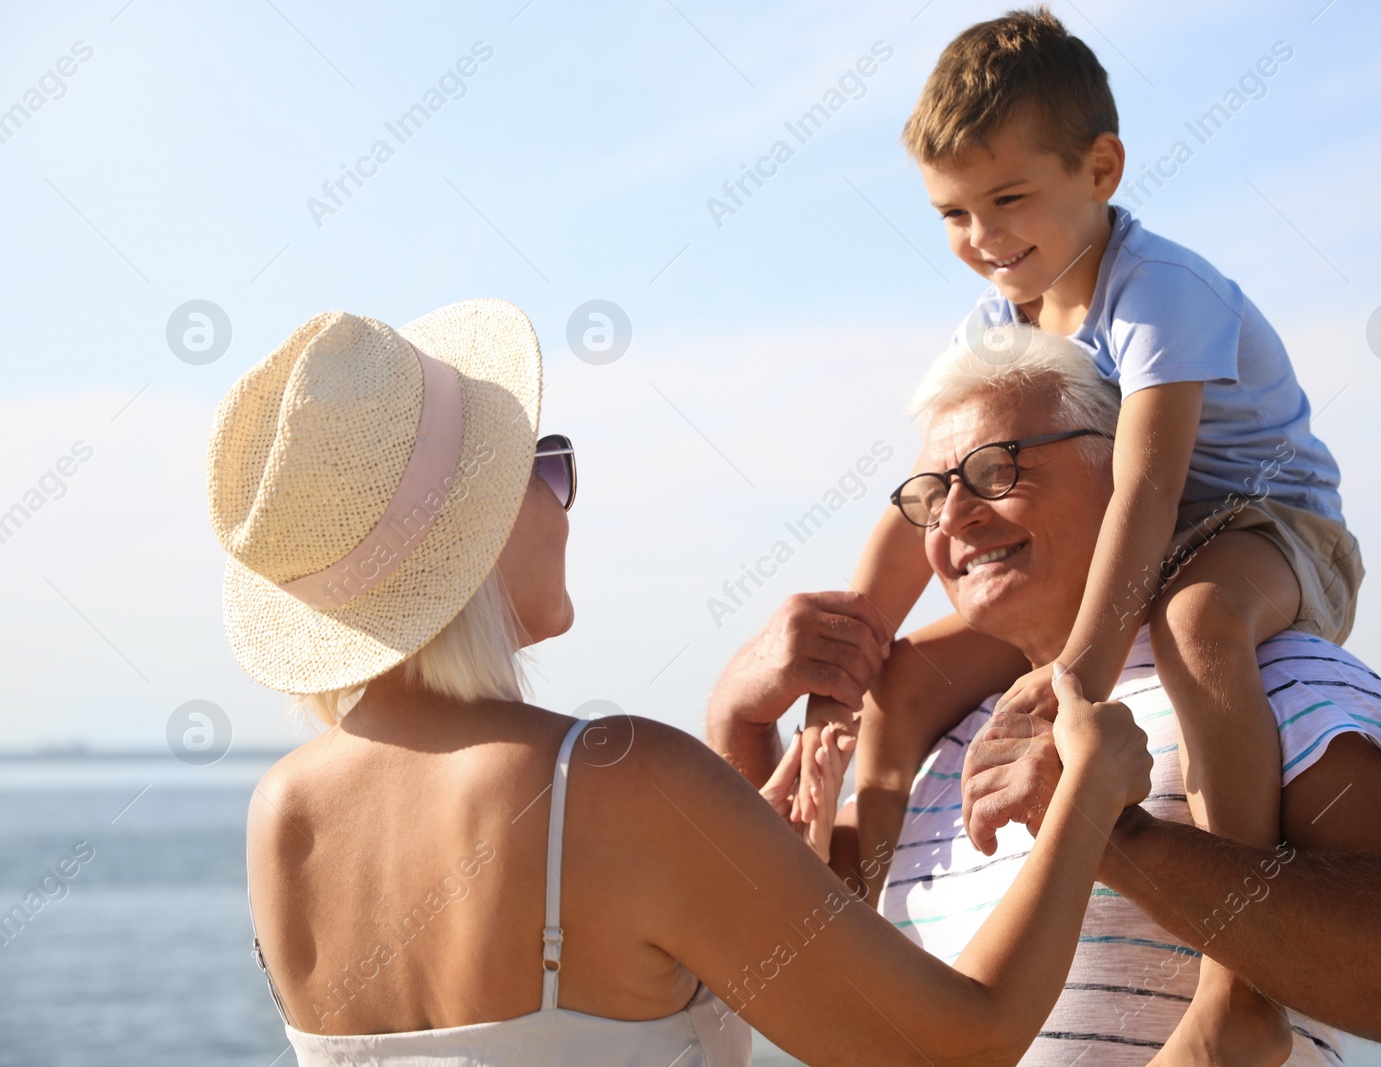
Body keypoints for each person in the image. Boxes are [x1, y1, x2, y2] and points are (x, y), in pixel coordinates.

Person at [213, 299, 1152, 1067]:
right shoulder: (617, 778)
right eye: (545, 465)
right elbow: (961, 1041)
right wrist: (1091, 787)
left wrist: (745, 841)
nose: (562, 497)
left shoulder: (280, 815)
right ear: (480, 528)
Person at [798, 11, 1362, 1061]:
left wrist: (1072, 681)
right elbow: (919, 496)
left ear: (1099, 168)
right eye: (953, 213)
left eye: (1008, 198)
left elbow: (1149, 487)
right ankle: (869, 941)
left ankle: (1238, 991)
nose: (982, 237)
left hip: (1259, 522)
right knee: (904, 681)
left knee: (1197, 626)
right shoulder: (998, 320)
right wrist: (842, 660)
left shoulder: (1159, 290)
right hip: (1115, 538)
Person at [720, 327, 1381, 1065]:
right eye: (932, 492)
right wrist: (741, 716)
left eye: (996, 468)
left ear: (1122, 471)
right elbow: (759, 941)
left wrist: (1112, 830)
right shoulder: (941, 746)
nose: (955, 514)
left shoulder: (1261, 675)